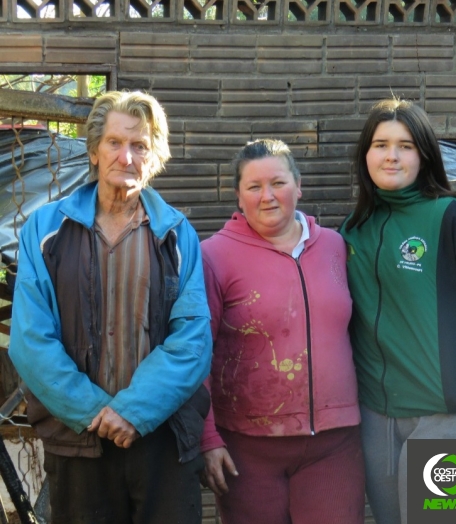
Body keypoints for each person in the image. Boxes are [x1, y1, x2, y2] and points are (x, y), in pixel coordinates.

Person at [8, 90, 212, 524]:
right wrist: (94, 411)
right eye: (115, 143)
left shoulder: (177, 234)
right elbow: (30, 340)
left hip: (163, 438)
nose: (128, 156)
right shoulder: (46, 230)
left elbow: (192, 339)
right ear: (95, 152)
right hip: (79, 439)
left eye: (140, 145)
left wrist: (134, 411)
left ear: (154, 155)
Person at [339, 98, 456, 524]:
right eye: (380, 144)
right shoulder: (352, 231)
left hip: (448, 416)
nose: (391, 155)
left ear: (424, 154)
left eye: (405, 145)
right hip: (379, 420)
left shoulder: (454, 220)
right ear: (365, 154)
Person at [199, 138, 365, 524]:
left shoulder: (336, 247)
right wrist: (207, 439)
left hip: (334, 444)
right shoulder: (213, 256)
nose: (267, 196)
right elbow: (195, 356)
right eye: (254, 187)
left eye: (278, 183)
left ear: (299, 185)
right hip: (247, 448)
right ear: (238, 197)